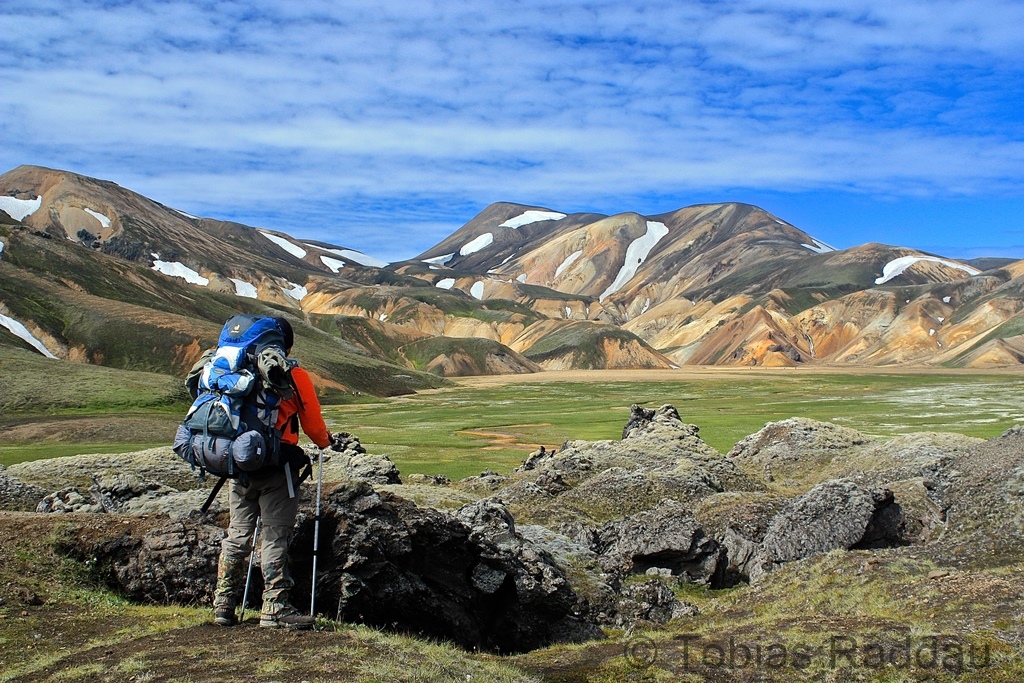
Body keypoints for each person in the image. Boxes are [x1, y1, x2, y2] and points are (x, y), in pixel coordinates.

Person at [213, 317, 333, 629]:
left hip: (239, 465)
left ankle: (223, 604)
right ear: (285, 346)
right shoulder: (293, 374)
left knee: (238, 535)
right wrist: (325, 441)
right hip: (277, 471)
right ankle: (275, 607)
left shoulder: (237, 370)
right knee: (275, 535)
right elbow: (314, 426)